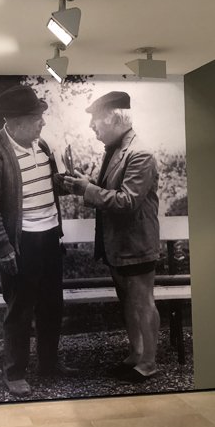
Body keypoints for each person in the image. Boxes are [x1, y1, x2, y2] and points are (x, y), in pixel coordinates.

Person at [0, 84, 74, 397]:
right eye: (36, 118)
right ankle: (14, 373)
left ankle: (48, 364)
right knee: (19, 310)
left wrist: (64, 182)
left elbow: (47, 185)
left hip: (49, 237)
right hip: (21, 244)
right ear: (16, 123)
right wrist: (4, 248)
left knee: (51, 305)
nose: (42, 123)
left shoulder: (40, 145)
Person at [62, 91, 161, 381]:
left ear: (115, 119)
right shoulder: (116, 149)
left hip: (137, 245)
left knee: (142, 302)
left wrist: (87, 189)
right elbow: (113, 191)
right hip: (119, 245)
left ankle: (149, 363)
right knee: (129, 301)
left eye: (95, 120)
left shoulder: (140, 154)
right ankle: (136, 354)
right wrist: (86, 183)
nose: (91, 126)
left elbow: (127, 201)